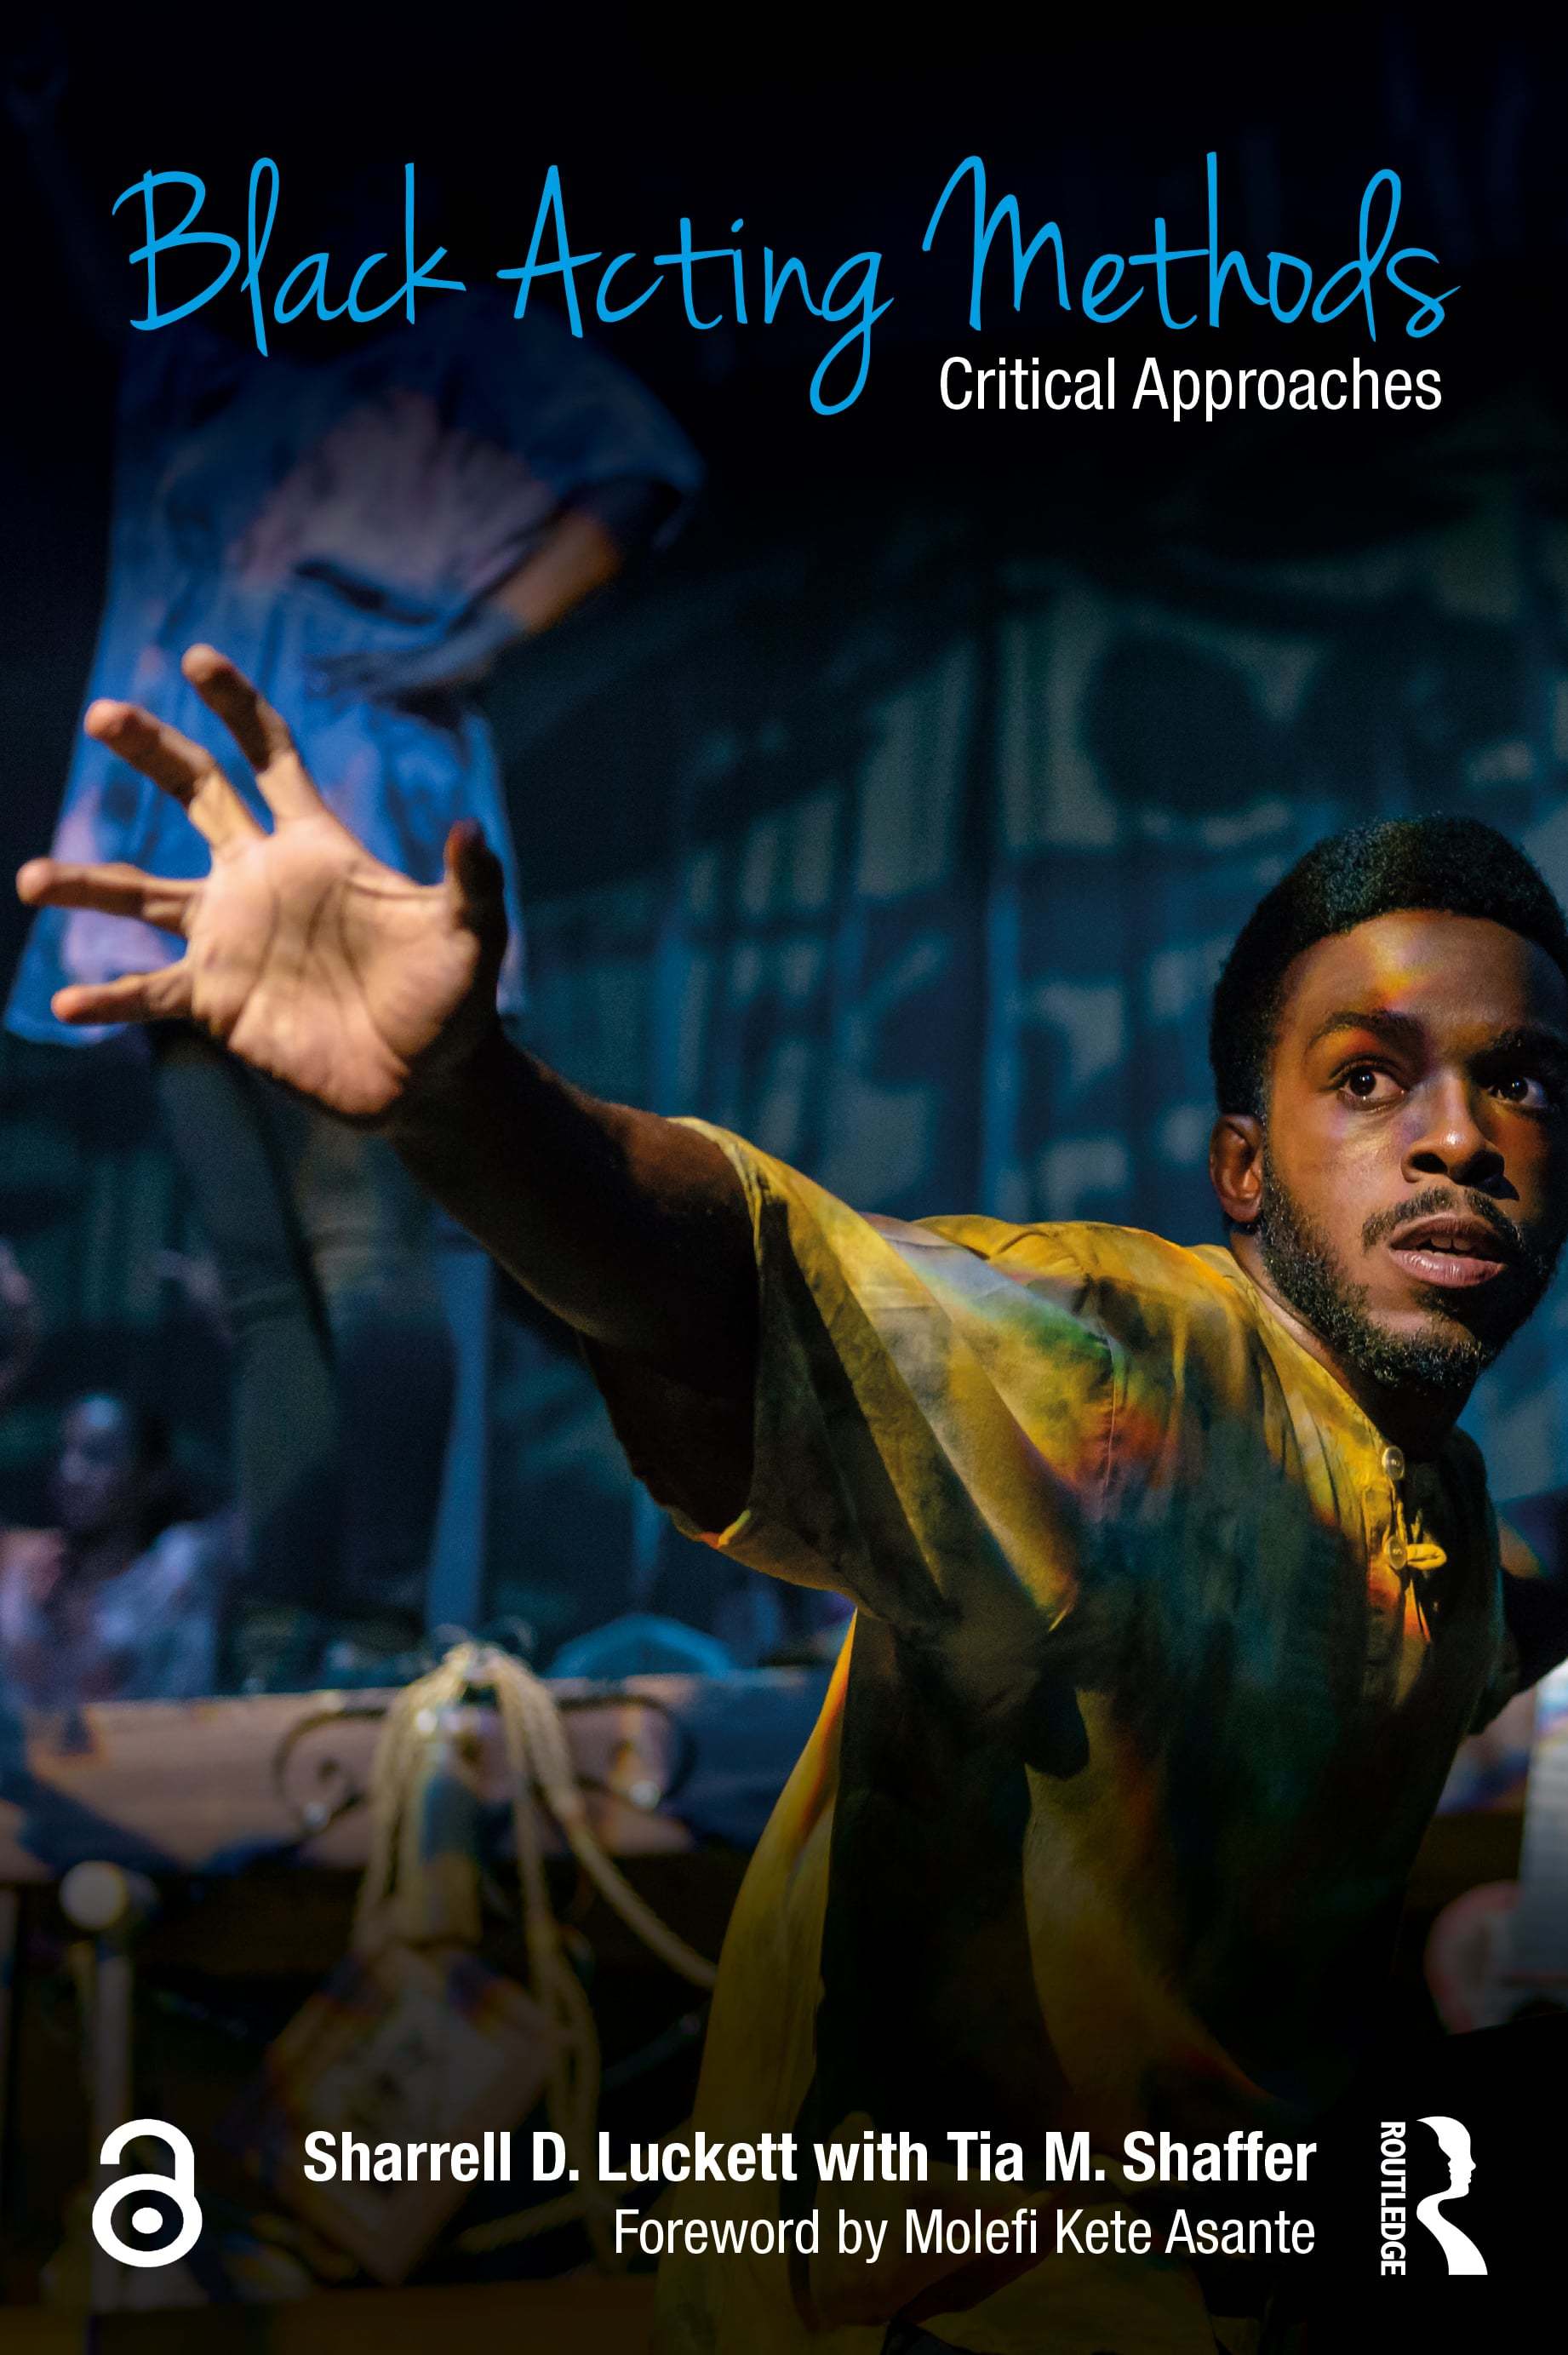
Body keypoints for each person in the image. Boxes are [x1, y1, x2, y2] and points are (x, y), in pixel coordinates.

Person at [17, 650, 1568, 2352]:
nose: (1461, 1137)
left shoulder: (1434, 1512)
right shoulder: (1135, 1374)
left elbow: (1477, 1598)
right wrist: (471, 1103)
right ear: (1241, 1169)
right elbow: (732, 1289)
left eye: (1525, 1083)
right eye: (1369, 1077)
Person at [4, 60, 704, 1665]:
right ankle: (283, 1617)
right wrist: (44, 132)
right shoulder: (198, 352)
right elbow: (109, 299)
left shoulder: (445, 344)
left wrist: (469, 644)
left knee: (363, 1243)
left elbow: (640, 463)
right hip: (171, 861)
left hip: (344, 827)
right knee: (263, 1277)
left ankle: (378, 1615)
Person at [0, 1390, 232, 1710]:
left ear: (151, 1475)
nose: (70, 1473)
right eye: (64, 1452)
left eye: (97, 1455)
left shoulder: (178, 1567)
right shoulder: (30, 1573)